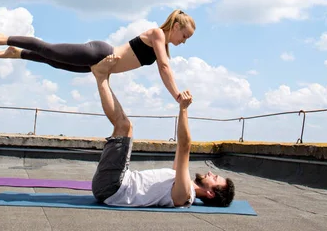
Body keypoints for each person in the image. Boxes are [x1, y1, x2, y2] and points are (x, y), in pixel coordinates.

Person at [90, 54, 235, 208]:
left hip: (113, 187)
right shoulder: (182, 182)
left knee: (124, 127)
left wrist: (183, 109)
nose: (211, 173)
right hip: (118, 181)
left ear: (210, 193)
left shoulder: (184, 195)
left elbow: (185, 146)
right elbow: (181, 147)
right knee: (126, 127)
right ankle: (103, 77)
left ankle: (101, 76)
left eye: (215, 178)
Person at [0, 9, 195, 103]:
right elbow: (164, 68)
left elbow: (165, 68)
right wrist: (176, 95)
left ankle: (18, 53)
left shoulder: (164, 48)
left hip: (99, 65)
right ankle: (4, 39)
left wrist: (174, 93)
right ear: (175, 26)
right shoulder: (157, 34)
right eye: (184, 35)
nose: (183, 41)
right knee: (50, 50)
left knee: (54, 62)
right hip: (100, 53)